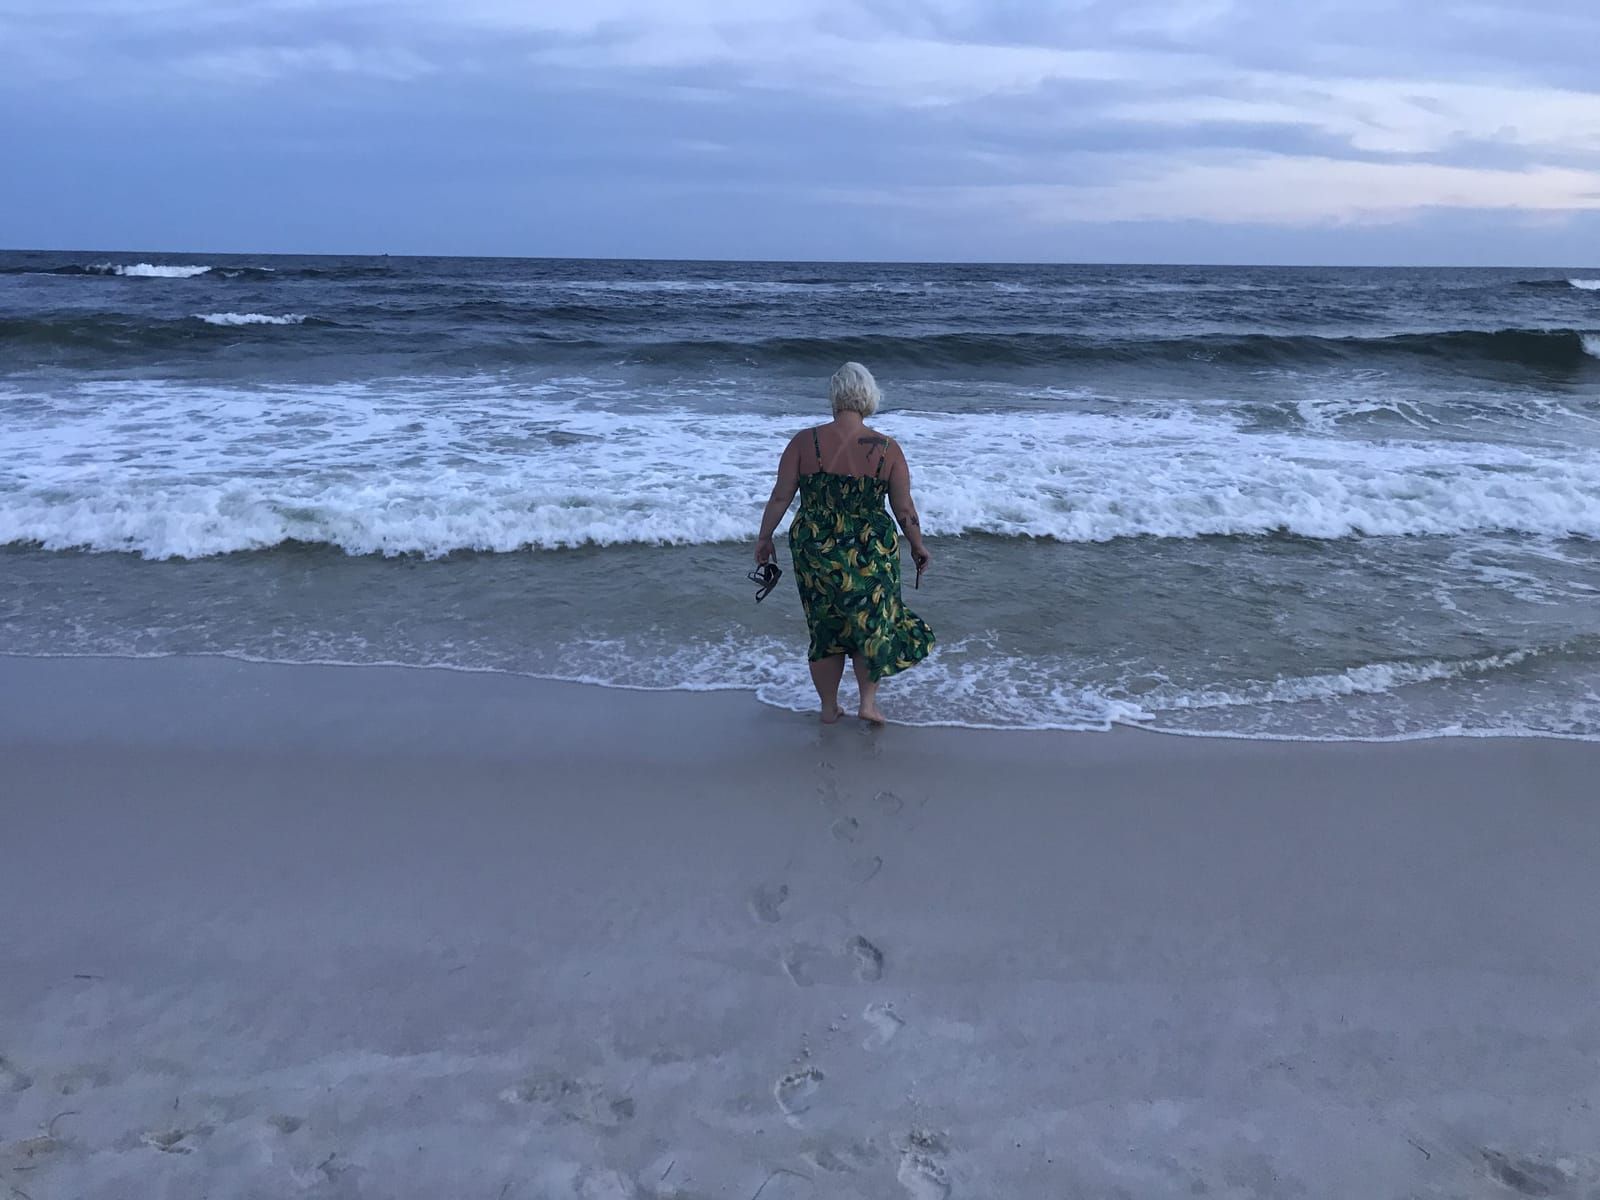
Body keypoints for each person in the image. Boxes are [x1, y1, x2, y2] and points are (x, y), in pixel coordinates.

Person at [755, 362, 935, 725]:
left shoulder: (805, 442)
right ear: (869, 396)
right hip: (871, 548)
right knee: (870, 623)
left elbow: (780, 497)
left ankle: (828, 708)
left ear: (834, 395)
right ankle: (867, 704)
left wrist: (764, 538)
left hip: (814, 547)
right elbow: (904, 507)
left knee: (826, 627)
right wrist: (917, 544)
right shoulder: (888, 449)